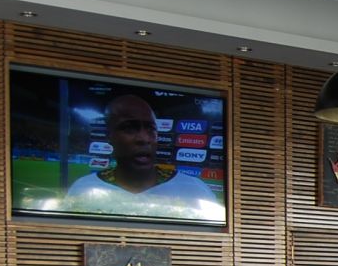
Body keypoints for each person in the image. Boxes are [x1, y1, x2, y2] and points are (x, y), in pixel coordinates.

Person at [53, 94, 223, 223]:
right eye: (129, 128)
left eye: (150, 129)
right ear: (109, 136)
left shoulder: (196, 191)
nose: (143, 138)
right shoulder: (83, 190)